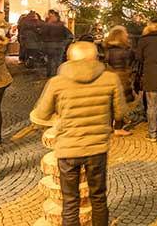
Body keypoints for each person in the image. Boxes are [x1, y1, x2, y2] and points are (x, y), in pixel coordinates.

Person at [31, 41, 125, 226]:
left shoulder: (57, 83)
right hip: (97, 147)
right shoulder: (110, 79)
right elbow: (121, 112)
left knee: (70, 201)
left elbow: (40, 116)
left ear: (69, 59)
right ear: (96, 58)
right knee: (98, 197)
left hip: (68, 150)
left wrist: (58, 120)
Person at [103, 25, 135, 135]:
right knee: (120, 103)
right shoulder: (125, 50)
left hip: (109, 75)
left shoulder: (107, 48)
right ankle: (118, 127)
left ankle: (109, 126)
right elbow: (131, 62)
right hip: (121, 77)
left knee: (111, 103)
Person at [41, 10, 73, 77]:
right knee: (54, 61)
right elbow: (70, 36)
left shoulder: (47, 26)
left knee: (53, 61)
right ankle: (55, 75)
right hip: (56, 46)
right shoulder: (60, 26)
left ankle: (53, 75)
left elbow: (42, 36)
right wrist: (64, 43)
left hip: (54, 46)